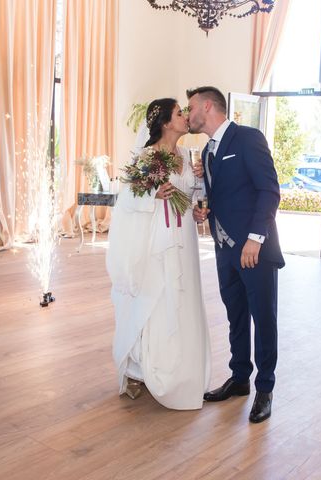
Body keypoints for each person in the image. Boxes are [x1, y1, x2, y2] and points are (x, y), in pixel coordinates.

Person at [187, 86, 284, 423]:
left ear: (208, 106)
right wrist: (206, 212)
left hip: (253, 250)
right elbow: (224, 195)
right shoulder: (206, 152)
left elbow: (269, 191)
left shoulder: (248, 138)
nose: (188, 114)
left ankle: (265, 388)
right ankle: (240, 377)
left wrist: (256, 239)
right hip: (224, 249)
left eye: (191, 108)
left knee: (263, 318)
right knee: (235, 315)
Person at [106, 98, 211, 410]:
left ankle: (182, 369)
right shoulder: (147, 157)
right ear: (166, 122)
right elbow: (126, 199)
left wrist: (197, 205)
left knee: (181, 300)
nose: (185, 117)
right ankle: (141, 369)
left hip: (185, 240)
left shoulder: (185, 155)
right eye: (179, 113)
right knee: (155, 300)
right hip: (157, 241)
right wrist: (153, 193)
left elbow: (191, 198)